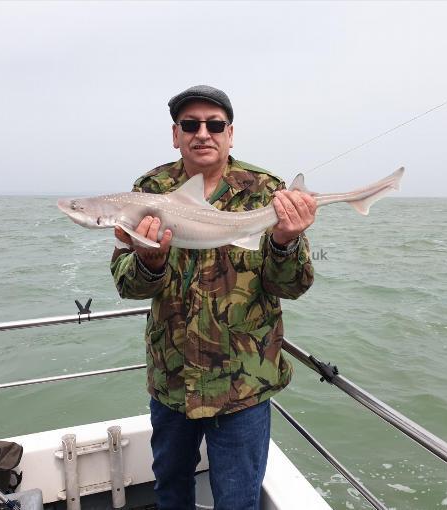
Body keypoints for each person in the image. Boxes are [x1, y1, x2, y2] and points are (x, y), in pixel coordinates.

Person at [110, 85, 317, 510]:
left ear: (230, 133)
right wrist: (150, 262)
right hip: (173, 382)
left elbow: (293, 286)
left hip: (243, 383)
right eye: (190, 124)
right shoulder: (149, 190)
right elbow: (126, 284)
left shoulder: (266, 191)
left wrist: (284, 243)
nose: (202, 133)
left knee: (238, 502)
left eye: (214, 124)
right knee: (171, 494)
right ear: (175, 135)